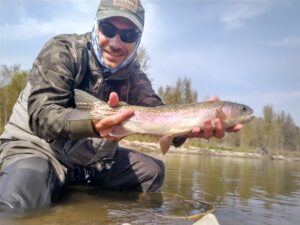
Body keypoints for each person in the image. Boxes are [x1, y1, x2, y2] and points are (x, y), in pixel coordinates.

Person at [0, 0, 241, 212]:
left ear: (137, 40)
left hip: (86, 164)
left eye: (128, 36)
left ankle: (83, 205)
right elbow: (42, 116)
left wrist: (191, 124)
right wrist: (93, 124)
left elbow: (160, 113)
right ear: (96, 25)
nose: (116, 42)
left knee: (151, 171)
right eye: (109, 29)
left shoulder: (135, 77)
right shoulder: (63, 51)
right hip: (37, 148)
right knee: (21, 204)